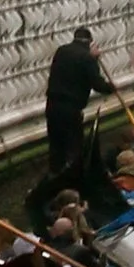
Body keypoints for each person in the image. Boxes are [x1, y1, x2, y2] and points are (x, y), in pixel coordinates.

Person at [43, 25, 109, 178]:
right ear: (90, 42)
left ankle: (56, 179)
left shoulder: (61, 51)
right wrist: (112, 88)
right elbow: (97, 84)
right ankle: (73, 181)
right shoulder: (87, 58)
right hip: (71, 110)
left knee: (56, 148)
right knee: (74, 149)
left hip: (52, 107)